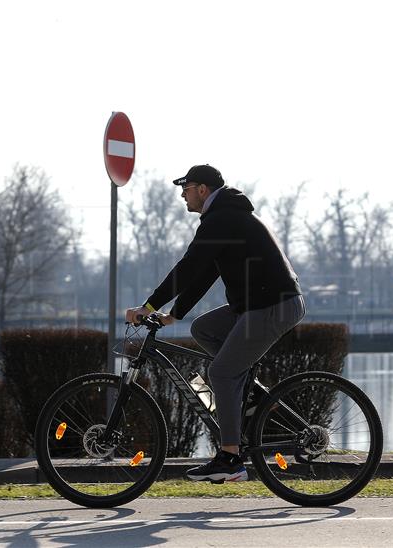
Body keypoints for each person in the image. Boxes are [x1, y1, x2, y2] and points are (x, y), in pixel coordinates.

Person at [125, 164, 306, 483]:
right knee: (203, 329)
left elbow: (190, 265)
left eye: (186, 188)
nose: (182, 194)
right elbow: (204, 273)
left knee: (221, 372)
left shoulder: (222, 217)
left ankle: (231, 459)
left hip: (272, 305)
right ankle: (250, 396)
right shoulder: (224, 216)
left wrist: (149, 305)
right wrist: (174, 314)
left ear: (203, 190)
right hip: (257, 305)